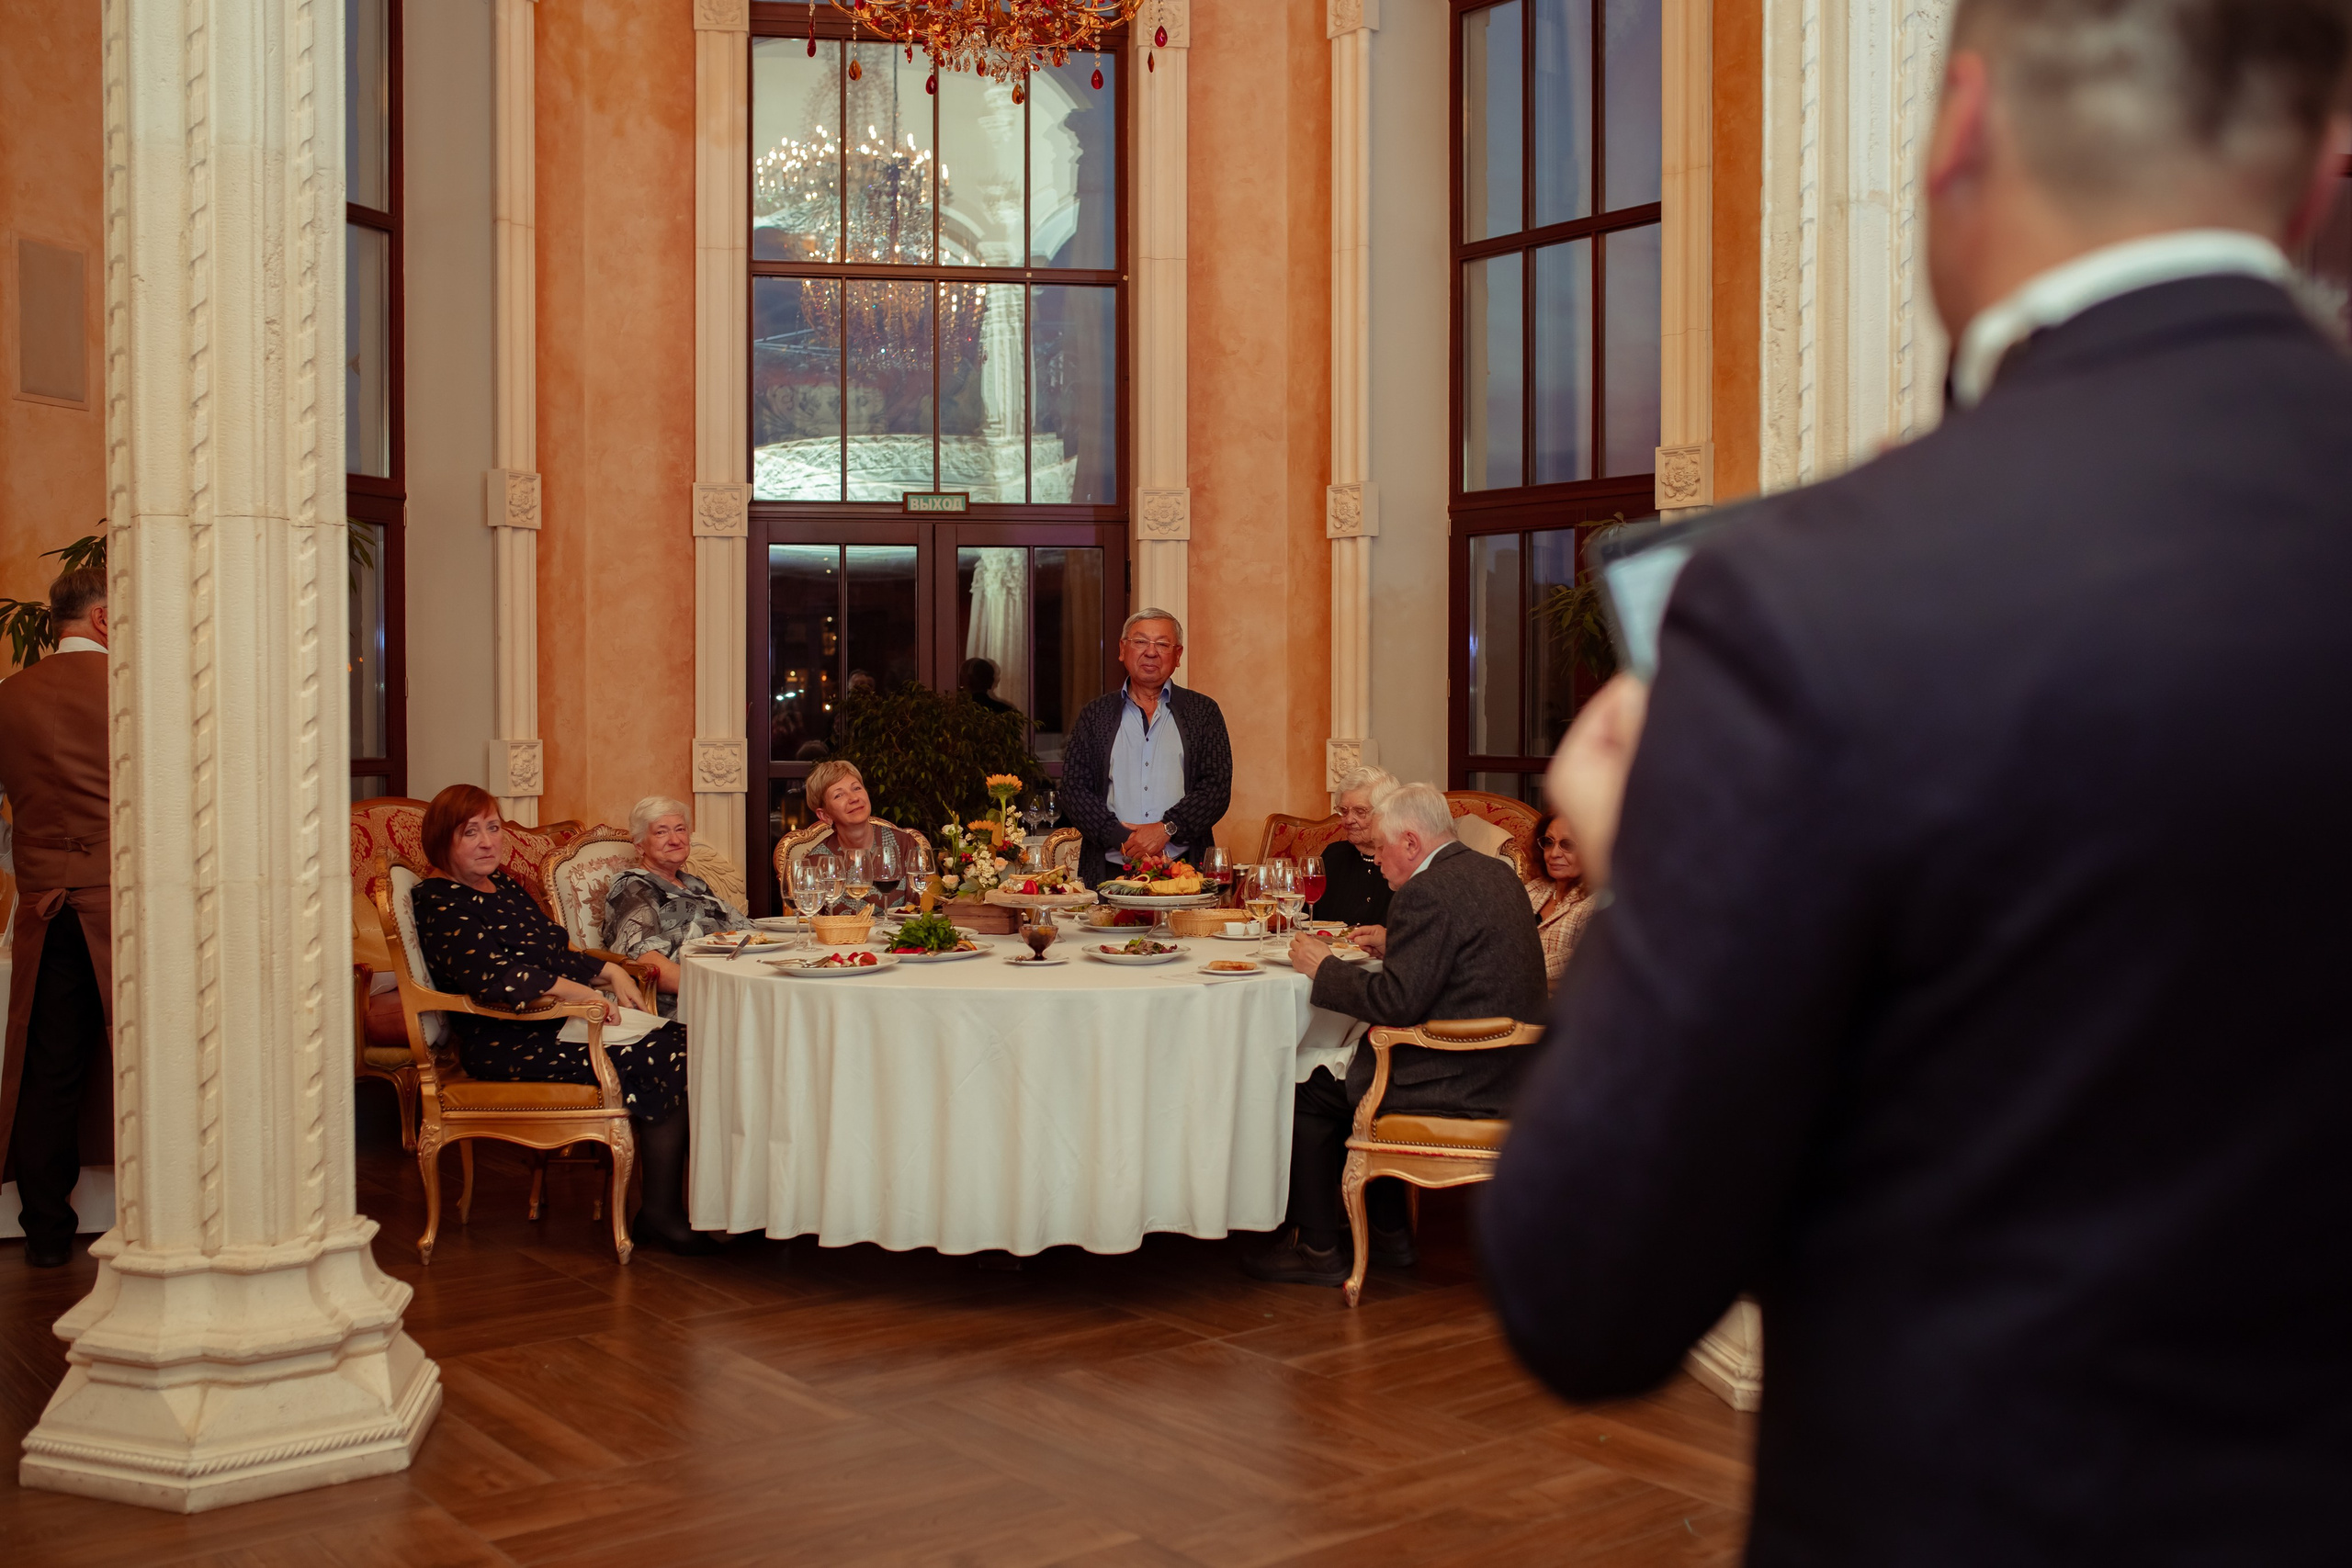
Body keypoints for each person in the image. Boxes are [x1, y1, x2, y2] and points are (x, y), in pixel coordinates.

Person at [1485, 2, 2352, 1560]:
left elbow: (1585, 1288)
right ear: (2321, 179)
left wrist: (1639, 864)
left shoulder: (1824, 599)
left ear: (1960, 126)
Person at [1247, 783, 1546, 1286]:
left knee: (1306, 1082)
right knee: (1342, 1060)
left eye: (1381, 848)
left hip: (1458, 1076)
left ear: (1410, 842)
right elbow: (1464, 958)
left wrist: (1323, 969)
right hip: (1510, 1068)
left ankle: (1317, 1247)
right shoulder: (1493, 872)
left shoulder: (1424, 892)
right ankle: (1390, 1236)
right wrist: (1397, 943)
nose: (1377, 861)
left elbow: (1395, 1003)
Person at [409, 784, 718, 1255]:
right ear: (442, 841)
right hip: (505, 1036)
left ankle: (697, 1207)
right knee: (671, 1055)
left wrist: (609, 970)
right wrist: (579, 995)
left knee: (690, 1042)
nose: (488, 842)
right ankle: (660, 1215)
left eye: (493, 828)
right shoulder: (439, 899)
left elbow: (553, 950)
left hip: (556, 1023)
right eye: (470, 833)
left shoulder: (505, 884)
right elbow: (491, 975)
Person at [0, 569, 113, 1268]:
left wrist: (27, 864)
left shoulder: (8, 698)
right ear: (103, 621)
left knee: (51, 1066)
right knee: (151, 1060)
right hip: (125, 904)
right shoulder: (137, 695)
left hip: (45, 907)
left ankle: (46, 1230)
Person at [1059, 609, 1233, 890]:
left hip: (1185, 871)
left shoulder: (1204, 713)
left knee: (1184, 935)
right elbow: (1074, 788)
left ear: (1177, 656)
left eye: (1162, 644)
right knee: (1107, 935)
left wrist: (1167, 829)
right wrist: (1119, 836)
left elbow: (1216, 787)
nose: (1151, 652)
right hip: (1110, 872)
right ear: (1122, 649)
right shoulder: (1095, 715)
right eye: (1140, 642)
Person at [604, 795, 745, 1016]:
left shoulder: (694, 884)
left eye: (680, 829)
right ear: (640, 845)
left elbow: (745, 929)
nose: (675, 840)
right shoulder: (632, 886)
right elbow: (644, 959)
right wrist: (716, 987)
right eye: (661, 832)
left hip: (728, 979)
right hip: (682, 1000)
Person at [790, 761, 927, 894]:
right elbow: (809, 914)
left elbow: (921, 909)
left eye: (856, 788)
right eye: (839, 795)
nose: (854, 798)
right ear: (825, 815)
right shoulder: (815, 862)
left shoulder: (904, 845)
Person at [1314, 765, 1398, 931]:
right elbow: (1306, 917)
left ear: (1386, 813)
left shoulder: (1402, 863)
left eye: (1360, 811)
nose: (1348, 820)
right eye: (1344, 811)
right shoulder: (1333, 856)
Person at [1522, 810, 1594, 995]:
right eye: (1548, 842)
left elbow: (1571, 967)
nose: (1554, 854)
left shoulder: (1596, 904)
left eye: (1567, 845)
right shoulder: (1535, 888)